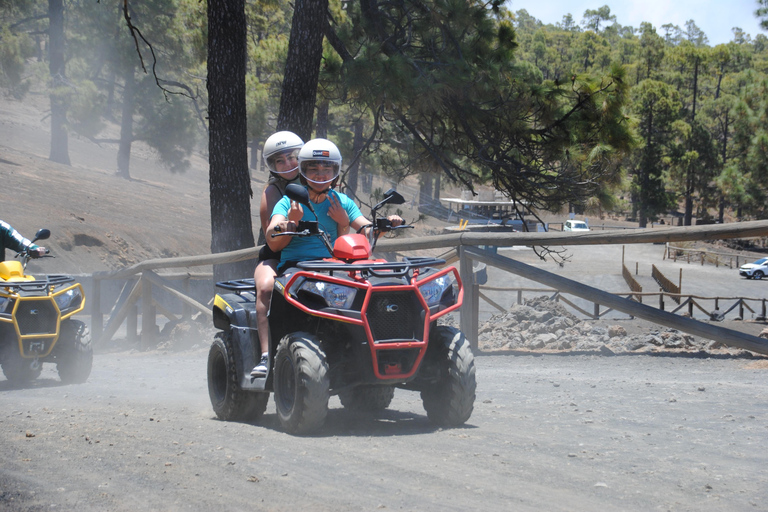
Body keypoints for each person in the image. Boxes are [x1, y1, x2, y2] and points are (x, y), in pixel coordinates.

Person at [265, 137, 404, 281]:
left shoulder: (342, 201)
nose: (320, 175)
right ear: (303, 172)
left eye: (327, 169)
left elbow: (366, 230)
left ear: (335, 172)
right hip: (296, 266)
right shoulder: (290, 201)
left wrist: (385, 224)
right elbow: (271, 236)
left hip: (333, 267)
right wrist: (291, 221)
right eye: (313, 169)